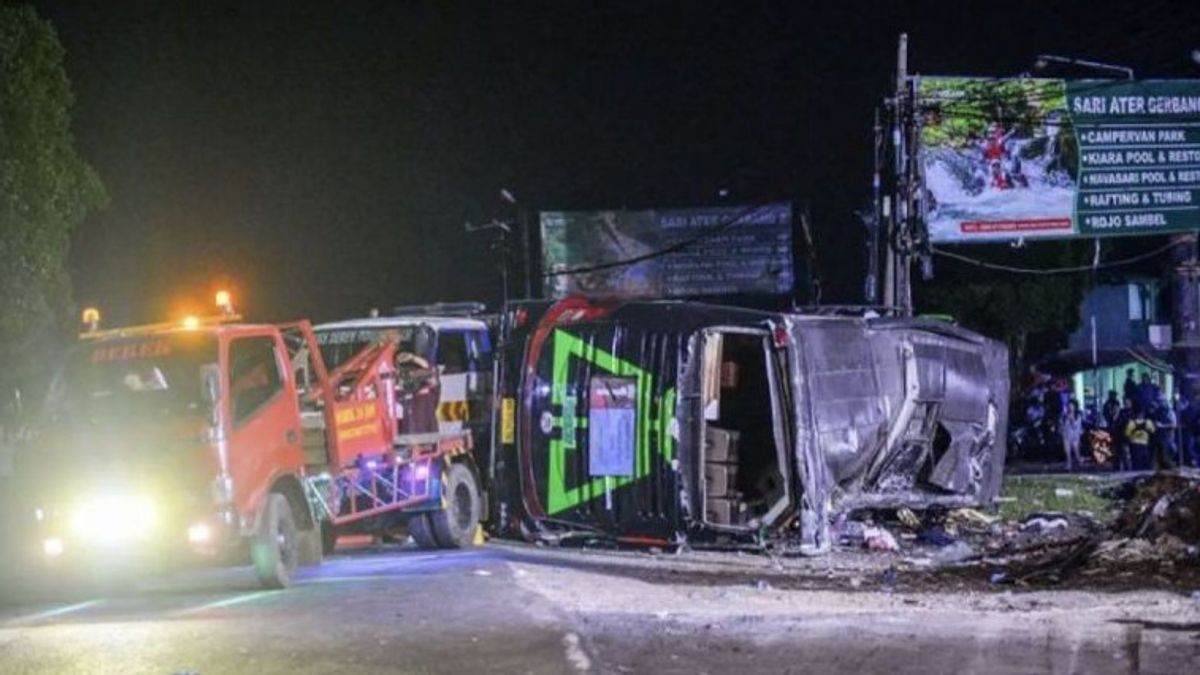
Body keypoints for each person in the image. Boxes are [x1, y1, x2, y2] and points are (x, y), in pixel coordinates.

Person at [1125, 407, 1157, 471]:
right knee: (1145, 465)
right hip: (1144, 445)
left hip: (1135, 446)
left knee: (1136, 465)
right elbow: (1153, 431)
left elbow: (1127, 434)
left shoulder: (1131, 423)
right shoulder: (1148, 422)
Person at [1060, 399, 1083, 471]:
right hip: (1066, 435)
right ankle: (1069, 465)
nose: (1070, 407)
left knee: (1076, 451)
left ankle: (1078, 463)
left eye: (1072, 406)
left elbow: (1077, 426)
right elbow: (1062, 424)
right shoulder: (1065, 415)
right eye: (1069, 405)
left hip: (1075, 436)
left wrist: (1072, 420)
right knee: (1067, 451)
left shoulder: (1078, 415)